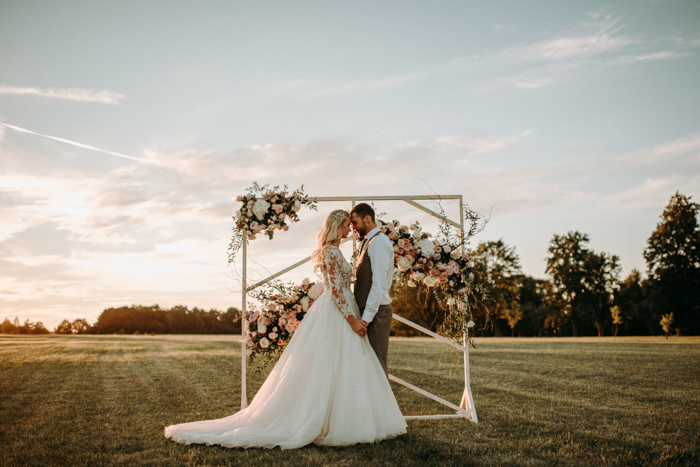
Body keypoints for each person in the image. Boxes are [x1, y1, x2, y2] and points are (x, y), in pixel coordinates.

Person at [164, 209, 407, 449]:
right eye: (346, 224)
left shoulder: (340, 249)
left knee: (346, 366)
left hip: (345, 309)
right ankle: (328, 420)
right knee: (333, 365)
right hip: (339, 312)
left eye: (351, 224)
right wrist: (353, 320)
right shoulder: (331, 251)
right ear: (336, 226)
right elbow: (334, 290)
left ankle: (348, 417)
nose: (349, 229)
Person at [349, 203, 394, 377]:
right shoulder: (369, 242)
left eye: (355, 223)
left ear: (367, 218)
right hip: (369, 313)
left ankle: (383, 405)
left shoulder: (379, 242)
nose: (353, 228)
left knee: (377, 367)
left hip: (375, 315)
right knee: (368, 367)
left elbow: (379, 284)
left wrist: (366, 319)